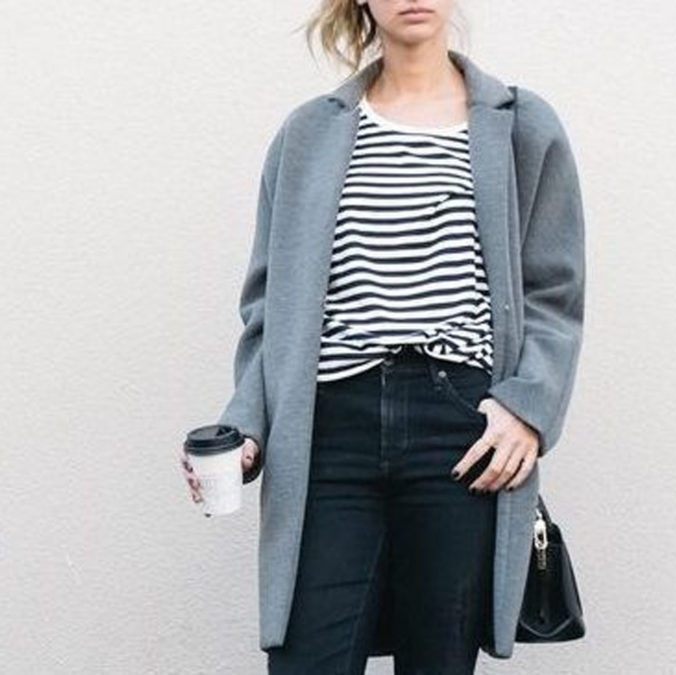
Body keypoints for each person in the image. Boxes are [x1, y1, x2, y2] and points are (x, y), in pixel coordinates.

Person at [181, 1, 586, 672]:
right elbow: (269, 306)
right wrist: (246, 426)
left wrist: (528, 407)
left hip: (458, 429)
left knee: (439, 659)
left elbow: (554, 289)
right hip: (330, 427)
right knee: (308, 657)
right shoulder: (309, 134)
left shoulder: (519, 125)